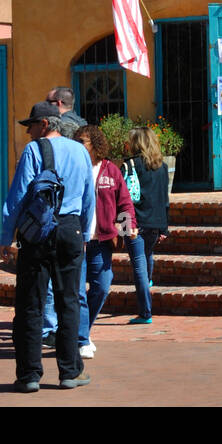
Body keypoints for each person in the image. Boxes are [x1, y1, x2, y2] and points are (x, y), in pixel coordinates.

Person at [0, 101, 95, 392]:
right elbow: (89, 195)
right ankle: (70, 371)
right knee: (69, 300)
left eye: (31, 126)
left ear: (45, 125)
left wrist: (7, 234)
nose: (28, 133)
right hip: (71, 228)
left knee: (31, 303)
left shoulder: (33, 150)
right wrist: (85, 234)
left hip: (38, 231)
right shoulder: (80, 150)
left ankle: (29, 375)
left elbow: (18, 197)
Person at [75, 125, 137, 358]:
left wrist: (128, 224)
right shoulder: (74, 168)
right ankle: (81, 339)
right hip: (76, 241)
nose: (79, 145)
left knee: (101, 285)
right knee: (78, 291)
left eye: (84, 141)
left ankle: (82, 330)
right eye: (78, 141)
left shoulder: (111, 171)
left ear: (96, 145)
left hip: (102, 240)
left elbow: (125, 202)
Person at [38, 86, 89, 346]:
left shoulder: (40, 146)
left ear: (57, 104)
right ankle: (76, 339)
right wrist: (88, 230)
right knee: (74, 288)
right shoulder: (84, 129)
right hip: (74, 222)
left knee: (48, 285)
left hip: (51, 217)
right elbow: (88, 193)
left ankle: (50, 332)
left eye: (48, 102)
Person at [125, 126, 170, 324]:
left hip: (135, 222)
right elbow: (165, 199)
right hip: (155, 222)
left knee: (138, 267)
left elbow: (123, 198)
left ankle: (145, 312)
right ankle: (148, 284)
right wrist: (164, 228)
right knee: (147, 255)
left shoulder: (130, 165)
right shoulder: (163, 167)